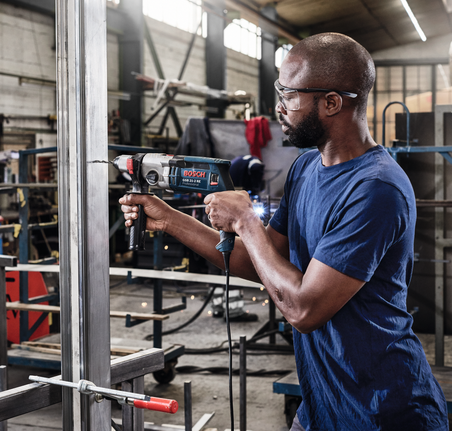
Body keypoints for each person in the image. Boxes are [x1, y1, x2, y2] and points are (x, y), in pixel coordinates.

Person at [120, 33, 448, 430]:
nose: (279, 107)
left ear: (331, 102)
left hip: (383, 408)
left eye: (290, 95)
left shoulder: (376, 188)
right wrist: (168, 217)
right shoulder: (306, 169)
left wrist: (245, 220)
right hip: (322, 402)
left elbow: (304, 310)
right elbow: (254, 259)